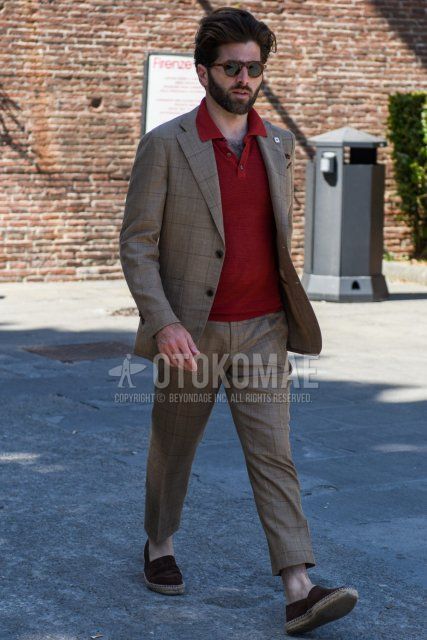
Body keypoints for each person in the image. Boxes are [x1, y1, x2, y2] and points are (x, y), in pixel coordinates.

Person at [119, 7, 358, 635]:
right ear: (205, 72)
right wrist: (164, 321)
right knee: (174, 449)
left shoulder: (277, 144)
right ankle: (160, 544)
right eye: (233, 67)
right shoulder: (167, 145)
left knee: (273, 455)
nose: (245, 78)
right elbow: (137, 243)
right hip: (191, 335)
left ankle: (299, 586)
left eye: (254, 68)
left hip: (263, 329)